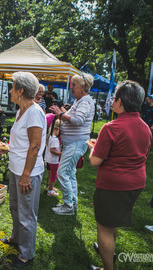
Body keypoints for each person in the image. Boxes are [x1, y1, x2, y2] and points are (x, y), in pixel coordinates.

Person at [86, 81, 152, 270]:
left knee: (104, 228)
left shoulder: (110, 127)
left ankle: (108, 267)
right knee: (112, 220)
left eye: (114, 98)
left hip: (113, 185)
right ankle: (109, 250)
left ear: (120, 102)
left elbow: (95, 161)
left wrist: (92, 148)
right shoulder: (146, 128)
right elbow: (141, 154)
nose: (112, 102)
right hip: (136, 183)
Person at [0, 72, 46, 268]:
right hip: (16, 169)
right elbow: (22, 143)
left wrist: (26, 175)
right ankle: (16, 239)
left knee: (26, 214)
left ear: (21, 91)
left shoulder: (34, 112)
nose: (9, 90)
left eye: (12, 86)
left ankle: (26, 254)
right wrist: (5, 149)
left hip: (28, 172)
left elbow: (35, 146)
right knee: (15, 208)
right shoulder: (20, 110)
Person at [49, 73, 95, 215]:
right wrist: (62, 110)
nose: (71, 87)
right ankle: (72, 203)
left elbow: (77, 120)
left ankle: (68, 205)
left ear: (83, 87)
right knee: (70, 173)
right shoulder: (80, 100)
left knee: (62, 173)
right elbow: (73, 116)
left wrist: (60, 114)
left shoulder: (85, 101)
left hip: (76, 143)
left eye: (73, 84)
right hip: (73, 143)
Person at [45, 118, 62, 196]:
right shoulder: (55, 139)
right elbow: (52, 150)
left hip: (48, 159)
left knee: (50, 174)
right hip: (53, 160)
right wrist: (60, 153)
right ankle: (50, 191)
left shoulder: (49, 136)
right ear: (57, 129)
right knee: (54, 176)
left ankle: (49, 187)